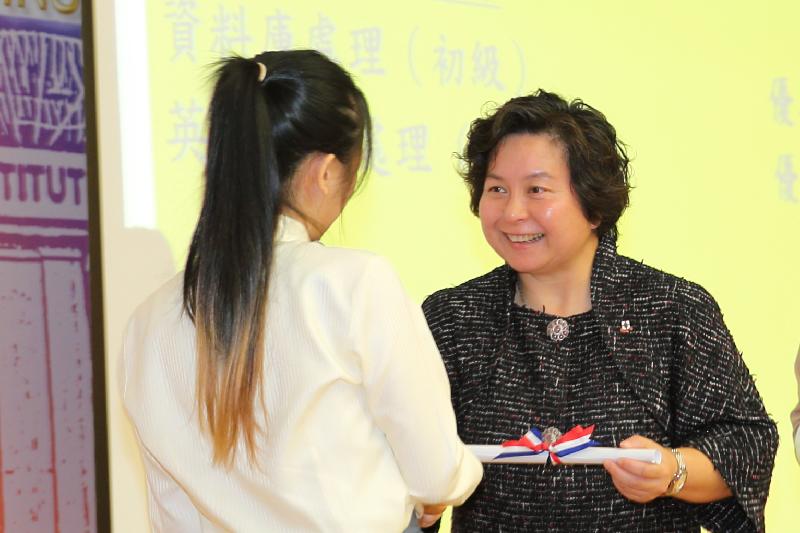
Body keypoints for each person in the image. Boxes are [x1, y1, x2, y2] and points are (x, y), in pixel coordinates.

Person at [120, 50, 482, 532]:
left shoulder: (148, 319)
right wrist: (449, 482)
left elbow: (169, 508)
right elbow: (436, 473)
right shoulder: (355, 282)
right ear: (327, 171)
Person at [421, 90, 777, 532]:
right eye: (497, 189)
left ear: (592, 204)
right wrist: (419, 499)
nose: (512, 211)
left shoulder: (672, 309)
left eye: (536, 190)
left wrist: (673, 472)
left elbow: (747, 446)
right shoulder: (453, 317)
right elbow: (409, 455)